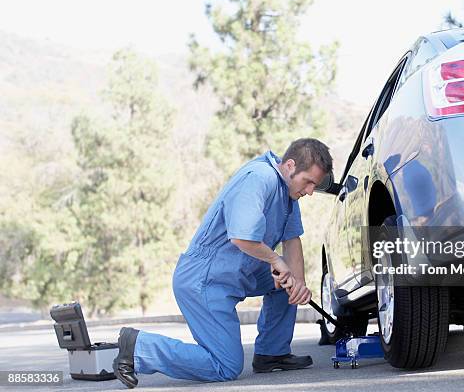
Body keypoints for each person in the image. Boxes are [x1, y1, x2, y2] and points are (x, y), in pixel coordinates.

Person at [112, 138, 333, 388]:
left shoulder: (289, 194)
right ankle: (139, 347)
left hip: (240, 269)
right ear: (290, 166)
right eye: (309, 182)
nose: (311, 191)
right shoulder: (259, 177)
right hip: (206, 278)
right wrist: (274, 259)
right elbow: (241, 237)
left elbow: (292, 240)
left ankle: (272, 353)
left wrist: (299, 283)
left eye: (315, 184)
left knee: (288, 281)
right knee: (225, 366)